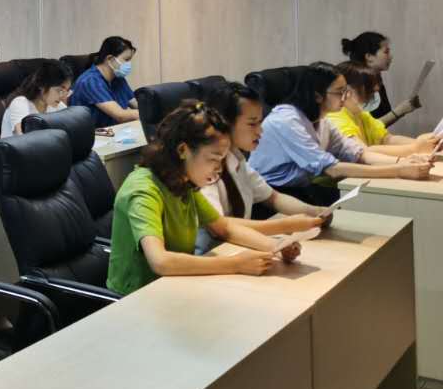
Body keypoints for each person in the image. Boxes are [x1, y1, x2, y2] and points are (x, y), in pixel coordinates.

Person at [107, 104, 303, 296]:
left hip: (176, 286)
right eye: (213, 159)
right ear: (183, 150)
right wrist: (235, 264)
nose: (219, 169)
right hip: (137, 297)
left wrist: (275, 247)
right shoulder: (143, 190)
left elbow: (224, 228)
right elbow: (160, 261)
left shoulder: (182, 181)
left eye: (222, 160)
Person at [250, 63, 435, 204]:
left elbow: (359, 153)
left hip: (300, 188)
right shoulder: (287, 121)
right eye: (340, 92)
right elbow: (332, 169)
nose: (345, 96)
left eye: (346, 90)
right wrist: (398, 170)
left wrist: (403, 162)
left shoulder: (323, 121)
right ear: (317, 96)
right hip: (269, 195)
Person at [195, 82, 332, 253]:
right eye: (252, 124)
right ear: (225, 123)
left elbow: (273, 197)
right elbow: (220, 225)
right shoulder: (207, 170)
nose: (260, 131)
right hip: (212, 255)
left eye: (260, 122)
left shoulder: (238, 160)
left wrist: (314, 212)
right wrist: (283, 227)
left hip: (237, 248)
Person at [329, 62, 439, 159]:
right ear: (347, 90)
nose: (372, 97)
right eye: (369, 92)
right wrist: (415, 148)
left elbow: (387, 139)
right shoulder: (335, 118)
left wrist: (427, 144)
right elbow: (362, 152)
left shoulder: (360, 114)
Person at [342, 31, 420, 126]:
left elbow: (380, 126)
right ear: (369, 57)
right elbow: (364, 128)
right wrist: (400, 110)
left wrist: (404, 109)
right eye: (386, 52)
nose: (391, 57)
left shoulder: (377, 82)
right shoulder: (352, 86)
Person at [71, 36, 139, 126]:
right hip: (94, 133)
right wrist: (148, 114)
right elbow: (120, 115)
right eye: (126, 60)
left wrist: (151, 108)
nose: (128, 64)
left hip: (115, 130)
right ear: (109, 59)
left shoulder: (117, 78)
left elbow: (136, 104)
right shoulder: (90, 81)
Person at [0, 60, 73, 136]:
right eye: (60, 90)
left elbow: (72, 128)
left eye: (67, 91)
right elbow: (25, 137)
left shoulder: (57, 105)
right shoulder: (20, 104)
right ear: (42, 85)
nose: (63, 96)